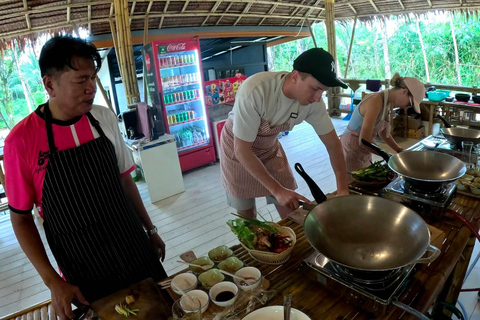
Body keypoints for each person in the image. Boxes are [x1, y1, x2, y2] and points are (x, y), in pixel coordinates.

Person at [4, 36, 167, 319]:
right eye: (81, 80)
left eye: (92, 77)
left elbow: (125, 181)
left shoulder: (103, 119)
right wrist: (53, 281)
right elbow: (20, 218)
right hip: (82, 262)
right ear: (49, 84)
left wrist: (150, 230)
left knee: (160, 310)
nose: (91, 87)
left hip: (131, 242)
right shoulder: (21, 141)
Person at [220, 48, 350, 219]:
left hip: (269, 147)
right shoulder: (256, 90)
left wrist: (342, 188)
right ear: (295, 76)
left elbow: (333, 144)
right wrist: (277, 190)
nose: (318, 98)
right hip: (237, 148)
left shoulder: (314, 103)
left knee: (292, 210)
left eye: (323, 92)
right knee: (248, 216)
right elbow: (242, 150)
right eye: (315, 88)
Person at [340, 73, 425, 174]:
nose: (406, 107)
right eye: (409, 103)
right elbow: (364, 139)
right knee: (353, 184)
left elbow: (384, 133)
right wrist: (386, 155)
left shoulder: (387, 103)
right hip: (351, 148)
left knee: (365, 178)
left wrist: (399, 150)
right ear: (404, 92)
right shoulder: (375, 100)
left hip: (364, 149)